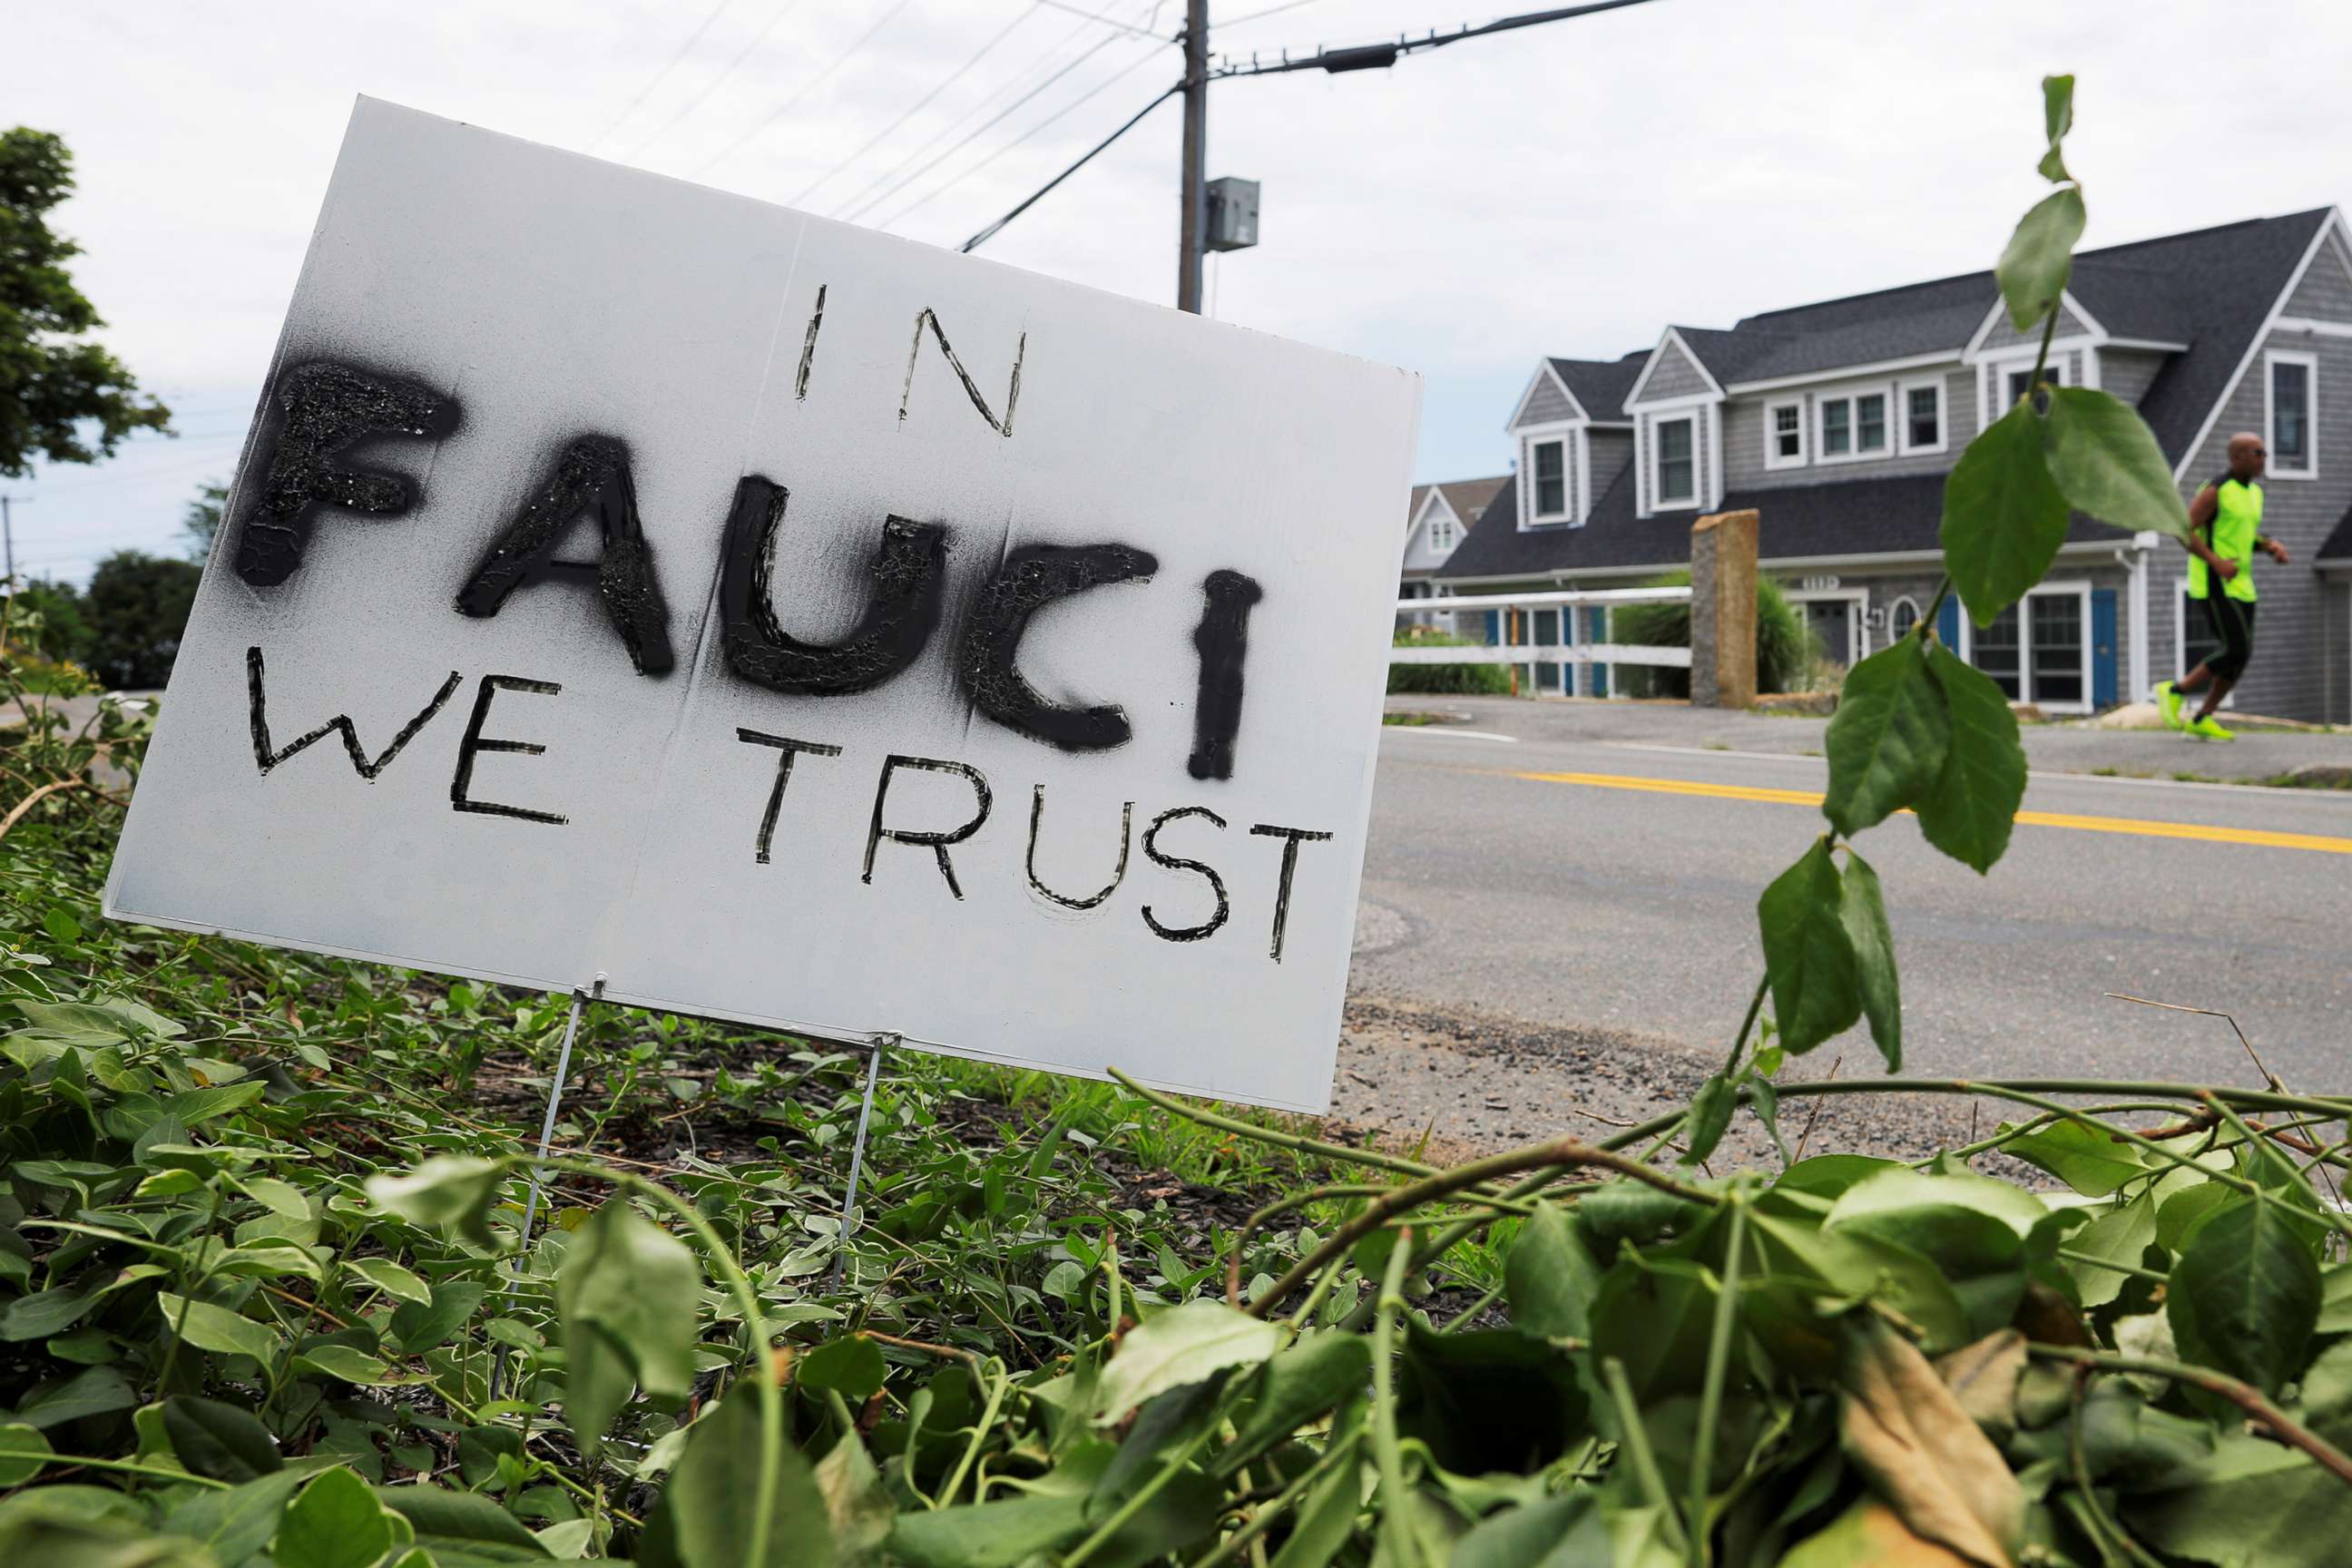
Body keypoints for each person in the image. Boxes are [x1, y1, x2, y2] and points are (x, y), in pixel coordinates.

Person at [2155, 432, 2290, 740]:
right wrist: (2215, 562)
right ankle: (2174, 690)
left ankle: (2202, 718)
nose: (2263, 458)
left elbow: (2242, 537)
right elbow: (2183, 531)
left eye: (2264, 452)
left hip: (2242, 584)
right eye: (2258, 452)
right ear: (2238, 456)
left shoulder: (2255, 493)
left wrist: (2269, 547)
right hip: (2214, 583)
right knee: (2236, 648)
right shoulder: (2216, 490)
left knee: (2239, 655)